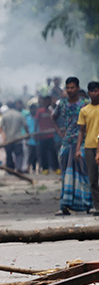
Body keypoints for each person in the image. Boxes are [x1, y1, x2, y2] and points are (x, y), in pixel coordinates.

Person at [52, 78, 91, 215]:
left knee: (84, 173)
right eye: (68, 88)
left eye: (72, 88)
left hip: (84, 141)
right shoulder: (62, 104)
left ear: (78, 88)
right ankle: (65, 204)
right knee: (66, 174)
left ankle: (88, 204)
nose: (70, 90)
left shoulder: (85, 103)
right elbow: (54, 117)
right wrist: (60, 132)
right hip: (68, 142)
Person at [78, 82, 99, 215]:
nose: (94, 94)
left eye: (97, 91)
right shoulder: (84, 110)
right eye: (92, 91)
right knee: (92, 178)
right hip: (89, 146)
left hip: (97, 147)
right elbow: (81, 130)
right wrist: (77, 148)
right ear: (89, 93)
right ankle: (97, 206)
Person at [0, 102, 29, 171]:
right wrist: (27, 134)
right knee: (19, 154)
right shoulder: (19, 114)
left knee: (9, 155)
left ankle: (10, 169)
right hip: (18, 139)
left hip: (8, 139)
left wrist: (3, 135)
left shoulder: (5, 115)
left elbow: (0, 127)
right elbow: (25, 125)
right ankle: (18, 168)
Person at [36, 96, 60, 174]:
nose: (47, 103)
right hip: (42, 136)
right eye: (45, 101)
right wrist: (36, 132)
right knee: (43, 153)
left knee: (53, 152)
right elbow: (36, 122)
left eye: (48, 101)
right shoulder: (40, 111)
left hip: (50, 135)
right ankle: (45, 169)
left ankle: (56, 168)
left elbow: (54, 121)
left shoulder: (51, 110)